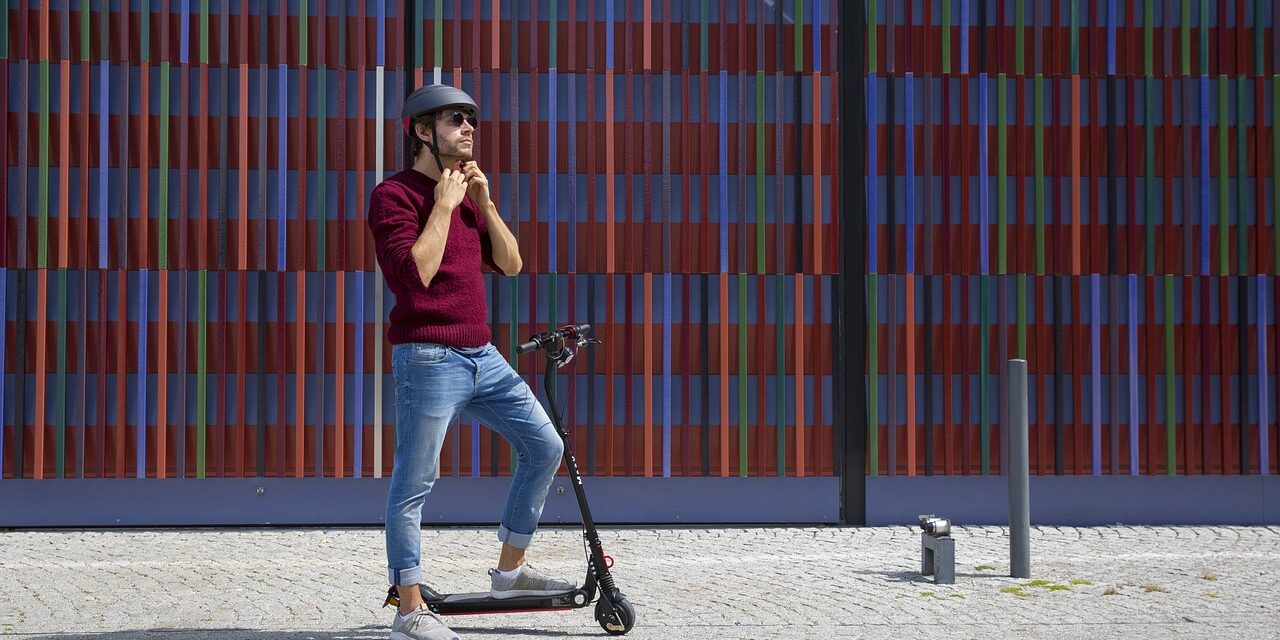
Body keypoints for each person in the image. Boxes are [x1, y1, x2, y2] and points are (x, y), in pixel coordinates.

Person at [368, 83, 575, 640]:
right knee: (414, 481)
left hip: (482, 354)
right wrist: (441, 206)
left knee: (545, 444)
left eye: (470, 121)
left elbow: (510, 265)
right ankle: (408, 611)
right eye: (455, 120)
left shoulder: (468, 195)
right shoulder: (394, 196)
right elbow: (416, 275)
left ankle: (509, 570)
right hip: (428, 359)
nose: (469, 129)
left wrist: (483, 204)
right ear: (420, 130)